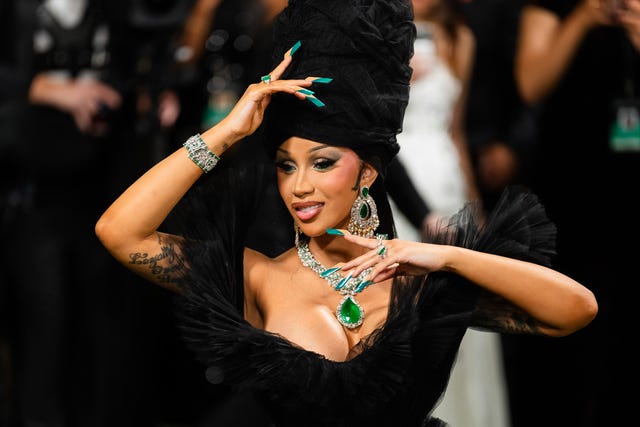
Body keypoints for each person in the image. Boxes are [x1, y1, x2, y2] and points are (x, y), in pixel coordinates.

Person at [95, 0, 597, 426]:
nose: (299, 185)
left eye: (323, 163)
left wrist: (447, 257)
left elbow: (576, 310)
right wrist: (226, 133)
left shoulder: (422, 286)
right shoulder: (259, 277)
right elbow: (119, 232)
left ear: (368, 174)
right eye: (285, 165)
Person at [508, 1, 639, 426]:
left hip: (629, 188)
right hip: (569, 183)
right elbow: (531, 84)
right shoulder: (559, 7)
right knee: (565, 316)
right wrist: (583, 17)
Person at [390, 1, 509, 426]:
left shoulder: (460, 37)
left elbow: (455, 131)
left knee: (457, 299)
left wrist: (476, 207)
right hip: (396, 182)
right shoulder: (377, 28)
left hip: (446, 182)